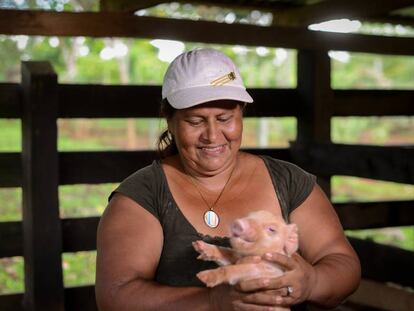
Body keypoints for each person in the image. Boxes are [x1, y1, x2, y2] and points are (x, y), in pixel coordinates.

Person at [95, 48, 361, 311]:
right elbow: (116, 295)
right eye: (195, 121)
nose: (212, 135)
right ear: (170, 120)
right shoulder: (143, 196)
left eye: (224, 118)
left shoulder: (289, 182)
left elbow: (341, 262)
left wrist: (311, 282)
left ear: (241, 112)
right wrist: (212, 301)